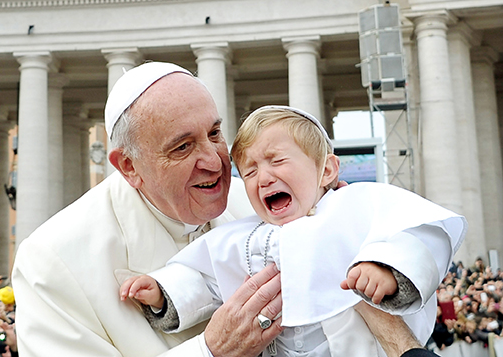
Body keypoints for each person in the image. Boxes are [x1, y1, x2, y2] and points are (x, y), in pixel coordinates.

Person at [12, 61, 458, 357]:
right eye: (183, 146)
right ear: (129, 166)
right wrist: (210, 350)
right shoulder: (51, 261)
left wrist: (383, 265)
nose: (216, 161)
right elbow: (201, 275)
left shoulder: (271, 200)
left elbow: (414, 233)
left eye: (215, 133)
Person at [120, 105, 467, 356]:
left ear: (327, 169)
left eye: (277, 160)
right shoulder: (246, 236)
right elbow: (205, 277)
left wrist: (388, 271)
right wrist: (163, 293)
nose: (264, 176)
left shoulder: (357, 203)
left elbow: (418, 233)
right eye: (251, 170)